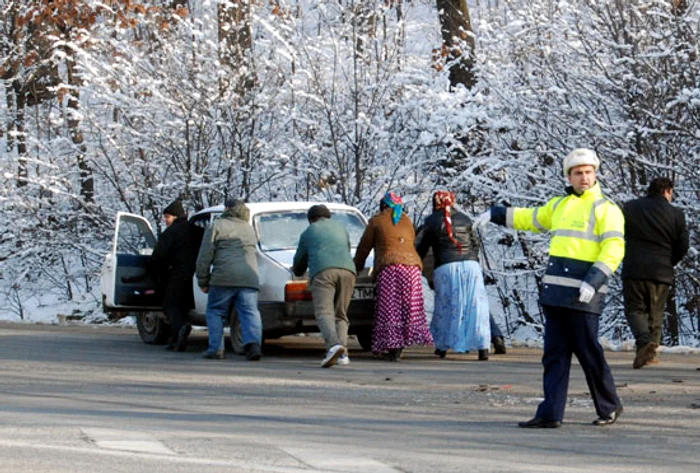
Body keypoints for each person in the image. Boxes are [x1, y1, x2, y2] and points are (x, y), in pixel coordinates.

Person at [474, 148, 625, 428]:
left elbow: (614, 249)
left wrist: (594, 281)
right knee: (554, 355)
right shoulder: (559, 205)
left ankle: (610, 406)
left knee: (589, 353)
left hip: (583, 295)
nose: (584, 177)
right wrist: (495, 214)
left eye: (588, 172)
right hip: (556, 294)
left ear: (595, 174)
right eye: (578, 173)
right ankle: (550, 413)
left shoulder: (606, 208)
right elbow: (530, 218)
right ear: (569, 176)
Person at [354, 191, 433, 361]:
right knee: (408, 308)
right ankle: (403, 343)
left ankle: (392, 347)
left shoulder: (376, 221)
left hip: (391, 268)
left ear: (383, 205)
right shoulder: (406, 220)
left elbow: (364, 248)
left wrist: (356, 267)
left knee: (390, 308)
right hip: (412, 269)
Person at [622, 177, 689, 369]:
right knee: (656, 313)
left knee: (635, 309)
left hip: (634, 268)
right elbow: (683, 245)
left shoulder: (630, 207)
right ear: (667, 191)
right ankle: (649, 354)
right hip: (661, 271)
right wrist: (669, 261)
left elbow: (618, 233)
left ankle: (644, 344)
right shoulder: (676, 214)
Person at [416, 190, 490, 361]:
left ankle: (442, 346)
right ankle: (482, 347)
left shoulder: (431, 221)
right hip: (472, 267)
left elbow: (421, 247)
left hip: (447, 267)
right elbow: (475, 244)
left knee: (446, 306)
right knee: (476, 307)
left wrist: (415, 264)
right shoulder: (465, 219)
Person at [195, 198, 263, 361]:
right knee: (249, 312)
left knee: (216, 311)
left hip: (223, 278)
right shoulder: (249, 228)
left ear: (227, 209)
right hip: (249, 277)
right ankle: (253, 346)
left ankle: (216, 349)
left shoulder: (217, 225)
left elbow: (205, 256)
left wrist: (203, 280)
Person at [292, 205, 357, 368]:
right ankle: (343, 354)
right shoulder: (341, 228)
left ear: (311, 219)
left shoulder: (309, 232)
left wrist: (298, 271)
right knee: (341, 313)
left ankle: (333, 345)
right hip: (348, 271)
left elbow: (299, 262)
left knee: (324, 312)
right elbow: (347, 249)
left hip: (323, 272)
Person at [149, 199, 196, 352]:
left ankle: (179, 332)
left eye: (167, 217)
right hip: (196, 275)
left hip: (177, 274)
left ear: (175, 216)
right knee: (184, 305)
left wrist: (156, 273)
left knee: (171, 304)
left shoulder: (170, 233)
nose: (165, 220)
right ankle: (177, 337)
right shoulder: (195, 229)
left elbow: (158, 257)